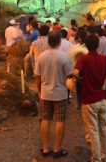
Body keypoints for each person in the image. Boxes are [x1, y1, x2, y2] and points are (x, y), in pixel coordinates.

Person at [73, 34, 106, 162]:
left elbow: (75, 72)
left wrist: (79, 79)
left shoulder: (83, 59)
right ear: (98, 45)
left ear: (86, 46)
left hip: (89, 101)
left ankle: (96, 158)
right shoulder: (104, 59)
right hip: (103, 99)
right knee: (105, 129)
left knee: (93, 131)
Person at [35, 30, 73, 158]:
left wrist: (39, 90)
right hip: (60, 93)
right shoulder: (64, 57)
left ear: (48, 41)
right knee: (59, 120)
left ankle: (45, 148)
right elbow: (69, 74)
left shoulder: (41, 56)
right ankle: (57, 149)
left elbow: (37, 76)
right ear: (59, 41)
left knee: (45, 119)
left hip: (45, 93)